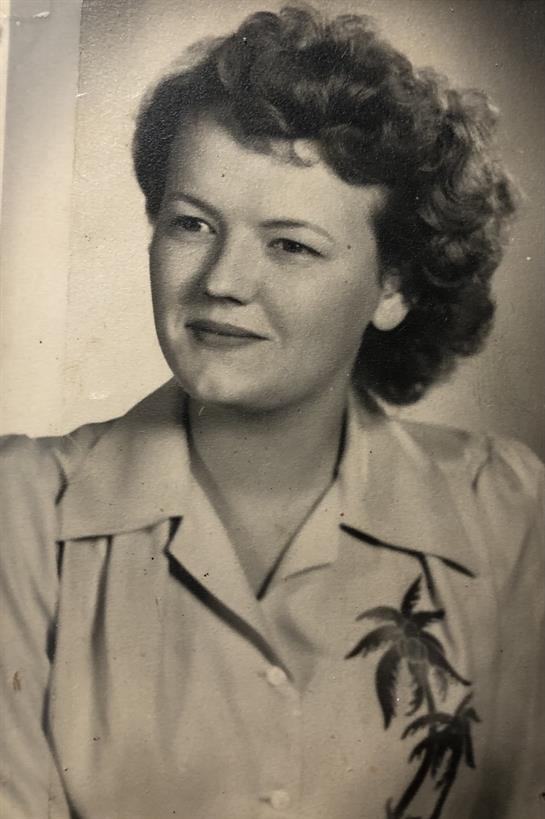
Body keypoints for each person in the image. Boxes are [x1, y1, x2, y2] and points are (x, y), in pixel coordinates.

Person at [1, 6, 543, 819]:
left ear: (392, 287)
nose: (221, 281)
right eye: (192, 224)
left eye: (289, 244)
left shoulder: (505, 510)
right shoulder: (22, 510)